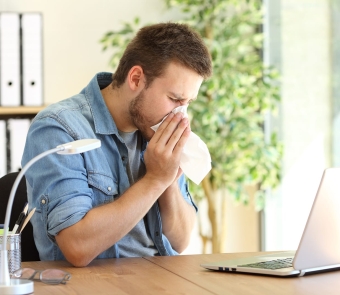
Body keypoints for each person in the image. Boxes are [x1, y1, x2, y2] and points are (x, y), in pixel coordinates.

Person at [21, 22, 212, 267]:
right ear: (136, 78)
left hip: (163, 280)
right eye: (175, 99)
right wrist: (154, 180)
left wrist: (169, 181)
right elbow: (77, 247)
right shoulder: (58, 128)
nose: (181, 114)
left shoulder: (156, 129)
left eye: (188, 102)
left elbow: (180, 240)